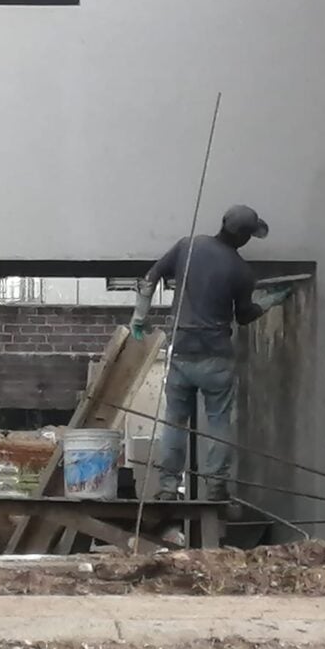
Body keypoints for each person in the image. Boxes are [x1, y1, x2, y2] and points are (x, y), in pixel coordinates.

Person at [130, 204, 289, 502]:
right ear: (245, 237)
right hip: (216, 358)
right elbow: (244, 316)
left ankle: (168, 487)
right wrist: (268, 302)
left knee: (175, 422)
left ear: (223, 223)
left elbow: (150, 278)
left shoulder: (188, 246)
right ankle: (216, 485)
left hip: (182, 354)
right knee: (218, 422)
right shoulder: (241, 271)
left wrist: (139, 317)